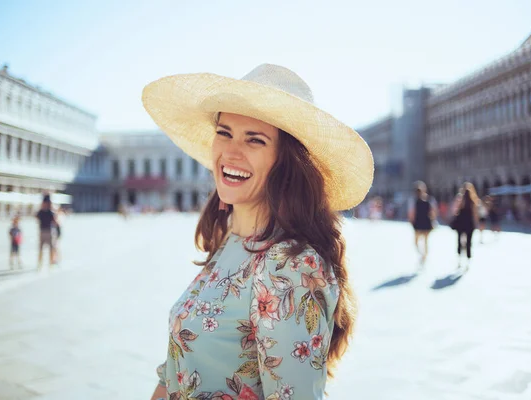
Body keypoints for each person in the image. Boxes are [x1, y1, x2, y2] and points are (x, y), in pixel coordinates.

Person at [142, 64, 373, 399]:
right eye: (224, 132)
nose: (231, 152)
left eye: (255, 139)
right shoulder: (231, 241)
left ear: (285, 161)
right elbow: (174, 373)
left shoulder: (290, 266)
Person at [451, 183, 480, 270]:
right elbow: (475, 213)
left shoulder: (460, 199)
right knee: (469, 242)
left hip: (461, 222)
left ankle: (459, 261)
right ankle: (467, 262)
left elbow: (455, 209)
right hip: (469, 223)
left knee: (459, 240)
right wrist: (476, 223)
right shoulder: (473, 200)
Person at [407, 181, 437, 266]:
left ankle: (422, 255)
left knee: (417, 241)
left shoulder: (414, 200)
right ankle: (424, 256)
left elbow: (411, 212)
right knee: (425, 241)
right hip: (426, 222)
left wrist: (411, 221)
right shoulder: (430, 200)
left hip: (418, 223)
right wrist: (433, 220)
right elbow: (434, 212)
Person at [36, 195, 58, 269]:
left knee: (45, 249)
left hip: (45, 231)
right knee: (46, 249)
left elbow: (36, 217)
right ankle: (46, 263)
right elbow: (55, 221)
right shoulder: (50, 212)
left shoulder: (42, 211)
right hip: (46, 231)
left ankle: (44, 263)